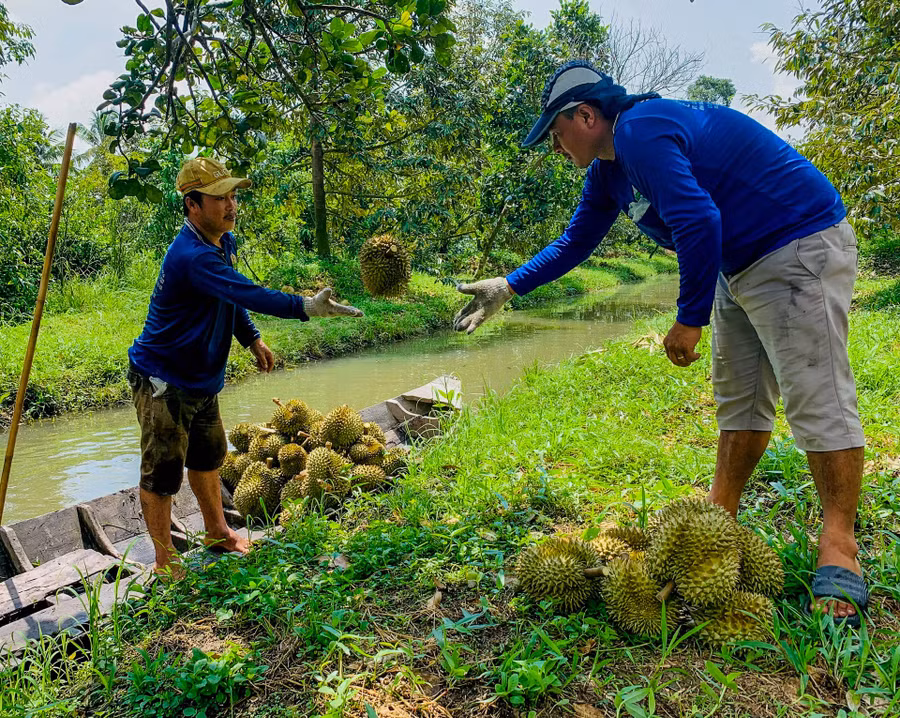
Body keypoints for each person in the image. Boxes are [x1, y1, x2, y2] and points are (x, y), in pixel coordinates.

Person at [454, 61, 867, 626]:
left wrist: (689, 318)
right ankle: (719, 517)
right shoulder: (608, 173)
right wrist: (508, 286)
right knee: (740, 397)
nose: (553, 145)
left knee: (815, 395)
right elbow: (576, 242)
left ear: (586, 115)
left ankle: (839, 543)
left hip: (795, 241)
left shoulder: (641, 130)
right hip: (737, 264)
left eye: (555, 131)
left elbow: (698, 218)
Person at [128, 157, 363, 576]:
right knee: (162, 474)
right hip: (164, 379)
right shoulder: (191, 256)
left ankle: (218, 531)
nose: (231, 205)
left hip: (201, 378)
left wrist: (251, 338)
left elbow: (229, 298)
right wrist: (306, 306)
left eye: (233, 196)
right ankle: (165, 560)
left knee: (208, 457)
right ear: (192, 205)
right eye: (220, 198)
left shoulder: (221, 243)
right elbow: (247, 292)